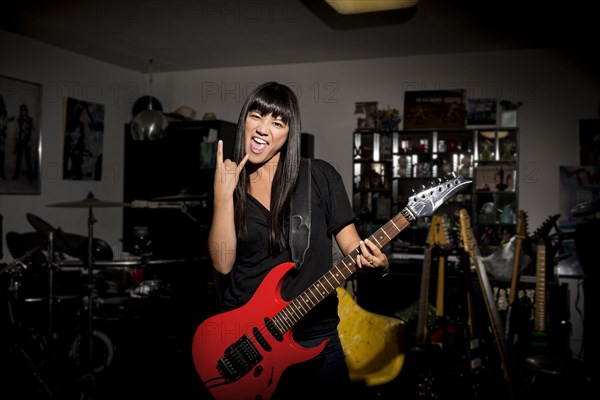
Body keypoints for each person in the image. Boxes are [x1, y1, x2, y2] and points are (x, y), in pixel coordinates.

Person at [207, 81, 389, 398]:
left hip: (314, 335)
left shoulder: (319, 177)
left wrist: (377, 263)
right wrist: (223, 198)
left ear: (289, 133)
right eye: (257, 116)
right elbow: (223, 265)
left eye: (277, 122)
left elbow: (351, 245)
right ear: (244, 121)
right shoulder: (229, 184)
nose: (263, 129)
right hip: (246, 339)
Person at [12, 103, 34, 183]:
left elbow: (32, 131)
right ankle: (16, 174)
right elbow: (17, 132)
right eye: (22, 110)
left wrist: (31, 140)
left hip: (27, 141)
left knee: (28, 159)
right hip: (20, 141)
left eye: (24, 110)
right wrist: (16, 141)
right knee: (18, 159)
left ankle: (30, 176)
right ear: (20, 111)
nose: (23, 112)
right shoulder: (18, 120)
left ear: (26, 111)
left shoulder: (30, 120)